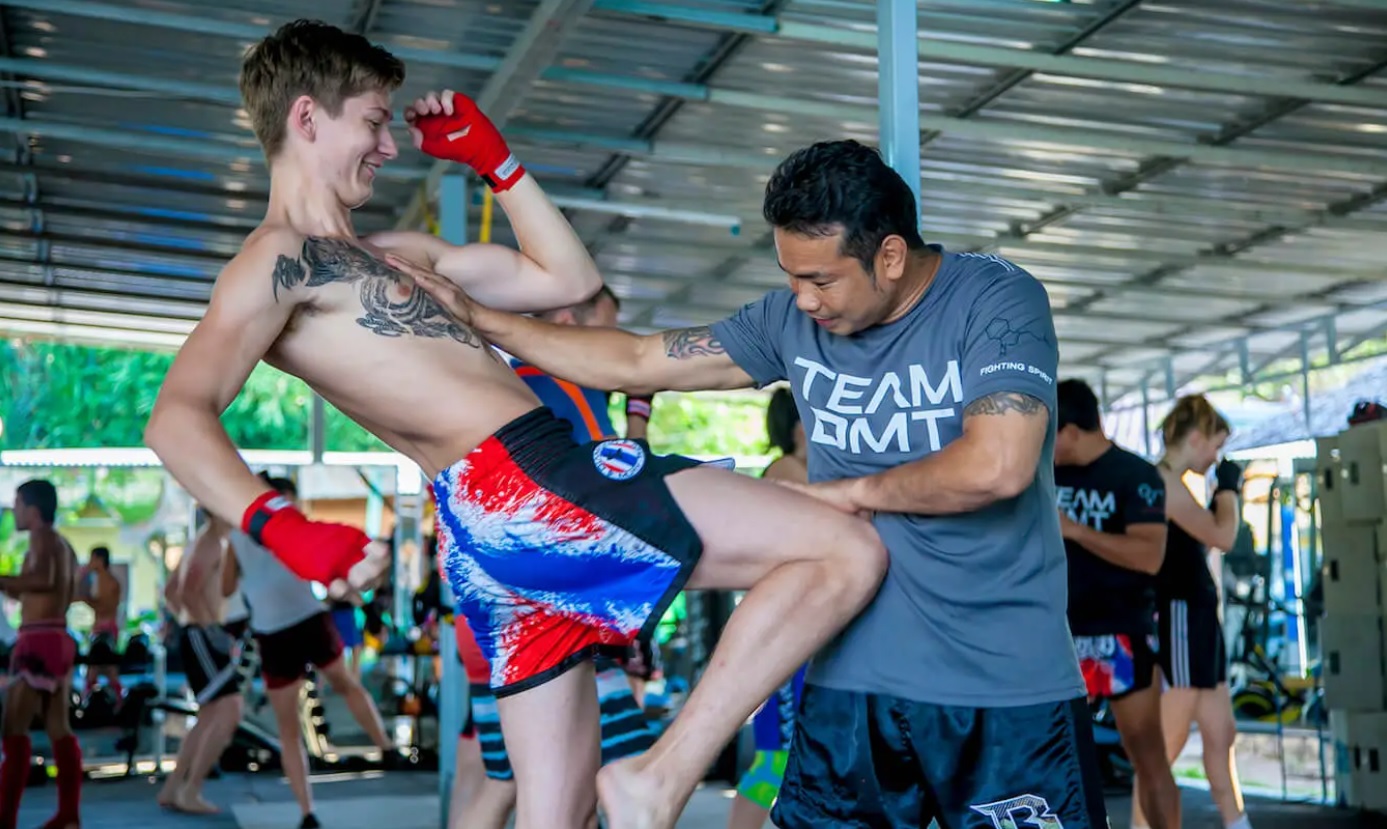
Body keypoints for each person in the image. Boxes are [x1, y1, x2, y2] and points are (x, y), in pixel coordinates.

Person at [142, 20, 886, 829]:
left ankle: (644, 781)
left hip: (492, 534)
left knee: (552, 814)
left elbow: (565, 278)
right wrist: (281, 524)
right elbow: (176, 416)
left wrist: (498, 163)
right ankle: (661, 775)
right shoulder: (274, 259)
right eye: (374, 121)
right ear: (307, 117)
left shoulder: (397, 252)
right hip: (527, 483)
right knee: (844, 548)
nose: (388, 146)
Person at [409, 138, 1110, 829]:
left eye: (821, 280)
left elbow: (997, 465)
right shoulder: (788, 322)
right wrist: (484, 320)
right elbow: (637, 359)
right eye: (790, 277)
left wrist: (843, 495)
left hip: (1002, 684)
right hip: (850, 683)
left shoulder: (994, 298)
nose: (802, 300)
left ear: (891, 256)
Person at [446, 287, 668, 829]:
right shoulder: (562, 385)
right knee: (621, 773)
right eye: (608, 328)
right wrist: (639, 413)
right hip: (547, 615)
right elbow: (620, 485)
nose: (617, 344)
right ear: (568, 320)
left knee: (511, 783)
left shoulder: (509, 384)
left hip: (488, 610)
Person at [222, 474, 396, 829]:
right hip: (281, 629)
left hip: (302, 621)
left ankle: (386, 750)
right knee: (296, 722)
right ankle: (309, 809)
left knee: (340, 688)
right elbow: (227, 587)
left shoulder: (275, 527)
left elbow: (322, 568)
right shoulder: (242, 534)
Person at [1052, 379, 1181, 829]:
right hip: (1058, 633)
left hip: (1120, 630)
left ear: (1070, 431)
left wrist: (1076, 530)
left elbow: (1149, 556)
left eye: (1049, 435)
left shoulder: (1136, 476)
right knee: (1049, 755)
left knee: (1146, 754)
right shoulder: (1042, 474)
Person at [1132, 395, 1250, 829]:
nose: (1216, 458)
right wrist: (1229, 489)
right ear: (1197, 438)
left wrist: (1223, 492)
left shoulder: (1178, 482)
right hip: (1180, 615)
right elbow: (1223, 535)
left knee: (1221, 735)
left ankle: (1238, 824)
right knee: (1167, 743)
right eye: (1215, 446)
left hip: (1200, 616)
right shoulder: (1163, 481)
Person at [726, 387, 809, 829]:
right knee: (777, 759)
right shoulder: (787, 472)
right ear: (800, 430)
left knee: (793, 756)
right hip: (788, 638)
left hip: (799, 636)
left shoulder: (795, 471)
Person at [0, 479, 82, 829]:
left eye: (17, 504)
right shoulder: (62, 544)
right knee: (58, 728)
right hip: (56, 635)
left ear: (32, 510)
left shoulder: (42, 538)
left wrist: (2, 580)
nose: (14, 511)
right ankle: (68, 815)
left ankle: (5, 819)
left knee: (13, 729)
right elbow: (51, 588)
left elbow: (42, 580)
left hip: (38, 640)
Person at [158, 510, 245, 815]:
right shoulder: (210, 543)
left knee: (209, 715)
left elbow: (171, 591)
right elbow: (186, 592)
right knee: (231, 709)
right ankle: (191, 789)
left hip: (197, 634)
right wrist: (208, 628)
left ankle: (174, 788)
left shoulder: (204, 542)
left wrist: (190, 623)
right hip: (202, 636)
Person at [79, 545, 124, 700]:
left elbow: (104, 608)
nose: (89, 562)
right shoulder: (97, 580)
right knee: (100, 671)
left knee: (101, 670)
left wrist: (86, 600)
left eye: (92, 559)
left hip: (106, 631)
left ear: (100, 560)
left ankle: (114, 701)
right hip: (99, 630)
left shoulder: (109, 582)